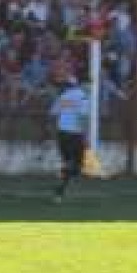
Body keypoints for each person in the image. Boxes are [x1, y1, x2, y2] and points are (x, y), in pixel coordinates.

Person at [49, 75, 90, 203]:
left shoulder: (64, 95)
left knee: (68, 162)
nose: (90, 87)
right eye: (89, 84)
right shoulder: (83, 97)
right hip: (75, 134)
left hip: (62, 133)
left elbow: (53, 112)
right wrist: (85, 135)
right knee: (77, 165)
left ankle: (62, 182)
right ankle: (60, 189)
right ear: (82, 84)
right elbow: (82, 117)